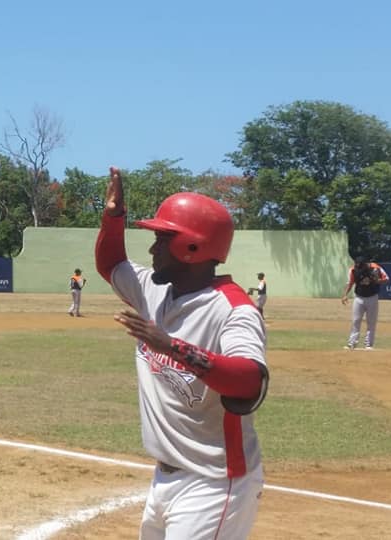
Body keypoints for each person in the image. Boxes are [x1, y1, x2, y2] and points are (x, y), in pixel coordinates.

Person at [95, 167, 268, 539]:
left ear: (192, 248)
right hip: (164, 478)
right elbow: (111, 265)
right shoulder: (155, 291)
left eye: (162, 239)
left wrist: (170, 345)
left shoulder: (233, 310)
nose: (153, 248)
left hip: (214, 484)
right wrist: (113, 216)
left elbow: (250, 379)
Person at [341, 256, 390, 351]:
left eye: (360, 266)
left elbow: (386, 278)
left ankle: (368, 345)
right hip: (359, 297)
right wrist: (345, 295)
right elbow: (350, 282)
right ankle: (352, 343)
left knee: (371, 322)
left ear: (365, 264)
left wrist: (377, 280)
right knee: (356, 321)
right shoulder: (353, 270)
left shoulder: (375, 268)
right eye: (357, 265)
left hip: (372, 297)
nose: (358, 267)